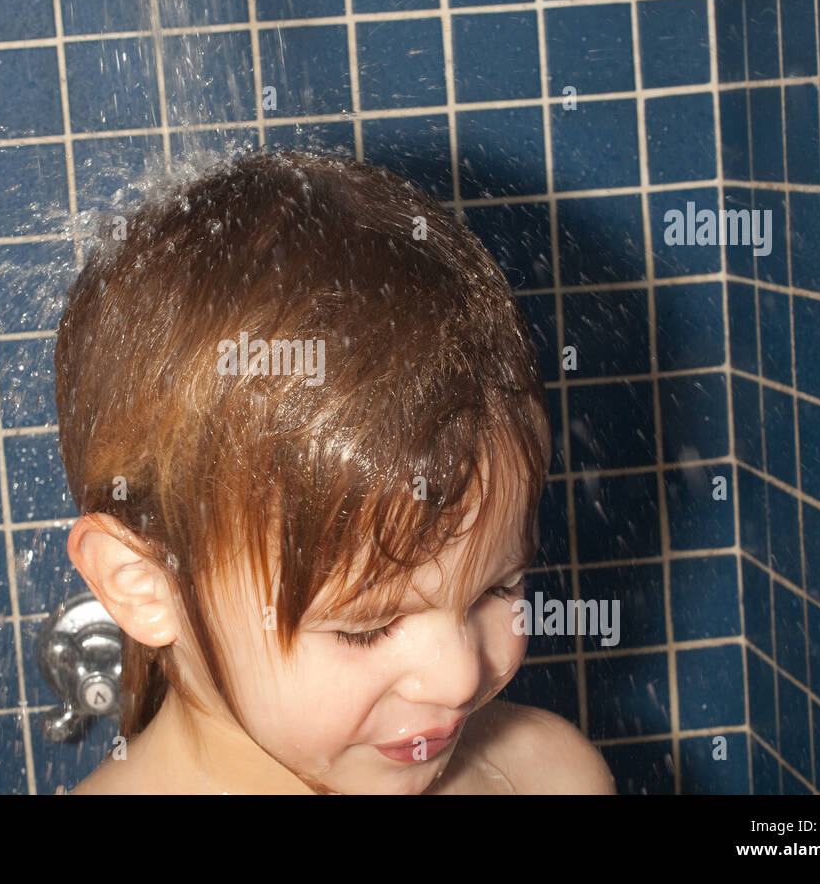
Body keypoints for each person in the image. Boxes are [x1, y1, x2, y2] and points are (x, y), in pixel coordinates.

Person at [53, 150, 615, 794]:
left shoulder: (547, 775)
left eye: (498, 589)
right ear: (145, 586)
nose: (459, 676)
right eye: (368, 628)